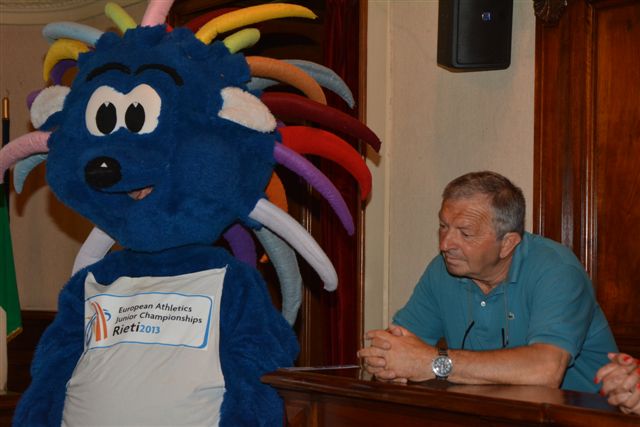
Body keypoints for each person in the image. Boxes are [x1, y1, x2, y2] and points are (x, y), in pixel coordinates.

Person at [358, 171, 617, 393]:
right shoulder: (443, 270)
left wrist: (434, 363)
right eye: (443, 226)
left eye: (465, 233)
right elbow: (398, 344)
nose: (445, 244)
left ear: (508, 244)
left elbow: (545, 371)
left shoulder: (556, 271)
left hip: (580, 416)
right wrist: (386, 359)